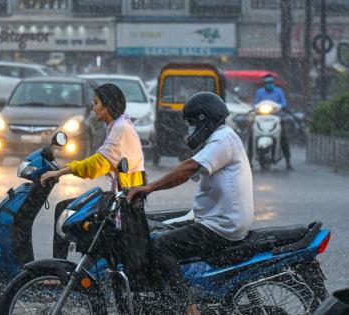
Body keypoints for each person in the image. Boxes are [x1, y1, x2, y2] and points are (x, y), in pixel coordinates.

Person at [127, 92, 254, 315]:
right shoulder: (221, 139)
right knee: (158, 227)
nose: (189, 130)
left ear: (205, 121)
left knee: (159, 247)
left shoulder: (223, 140)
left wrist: (149, 188)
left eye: (192, 124)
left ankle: (187, 306)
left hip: (220, 227)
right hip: (215, 219)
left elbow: (187, 170)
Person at [40, 83, 153, 290]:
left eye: (96, 103)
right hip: (122, 196)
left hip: (126, 200)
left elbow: (96, 165)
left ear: (107, 106)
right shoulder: (118, 125)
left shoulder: (120, 129)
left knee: (66, 210)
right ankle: (79, 273)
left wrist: (60, 171)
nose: (93, 108)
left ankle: (62, 272)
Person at [252, 74, 293, 170]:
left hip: (276, 117)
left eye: (270, 82)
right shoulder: (259, 92)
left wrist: (279, 107)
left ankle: (288, 162)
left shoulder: (279, 91)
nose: (269, 84)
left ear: (273, 83)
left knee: (284, 137)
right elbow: (255, 103)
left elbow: (283, 103)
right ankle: (249, 160)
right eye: (266, 83)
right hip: (261, 118)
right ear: (263, 83)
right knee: (251, 134)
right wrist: (255, 108)